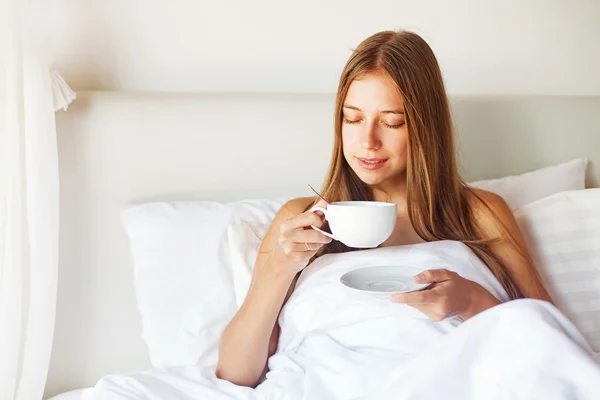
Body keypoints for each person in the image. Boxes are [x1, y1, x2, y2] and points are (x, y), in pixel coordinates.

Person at [215, 30, 552, 388]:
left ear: (426, 128)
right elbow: (236, 373)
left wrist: (472, 301)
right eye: (353, 118)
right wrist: (277, 271)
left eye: (392, 122)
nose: (368, 141)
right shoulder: (299, 219)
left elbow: (553, 344)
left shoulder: (480, 213)